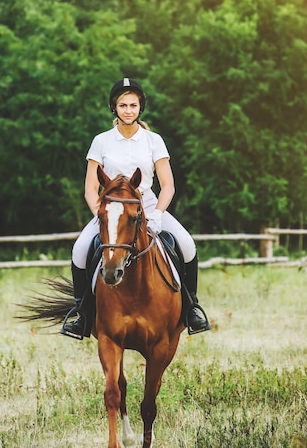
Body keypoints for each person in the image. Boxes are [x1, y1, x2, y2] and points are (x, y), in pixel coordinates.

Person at [61, 78, 210, 339]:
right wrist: (103, 215)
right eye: (123, 105)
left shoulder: (154, 141)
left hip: (149, 206)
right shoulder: (101, 141)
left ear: (140, 108)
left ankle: (191, 309)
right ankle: (82, 315)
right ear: (114, 108)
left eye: (133, 105)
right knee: (80, 249)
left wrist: (157, 215)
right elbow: (89, 188)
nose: (128, 110)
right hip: (111, 212)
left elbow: (168, 186)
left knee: (187, 245)